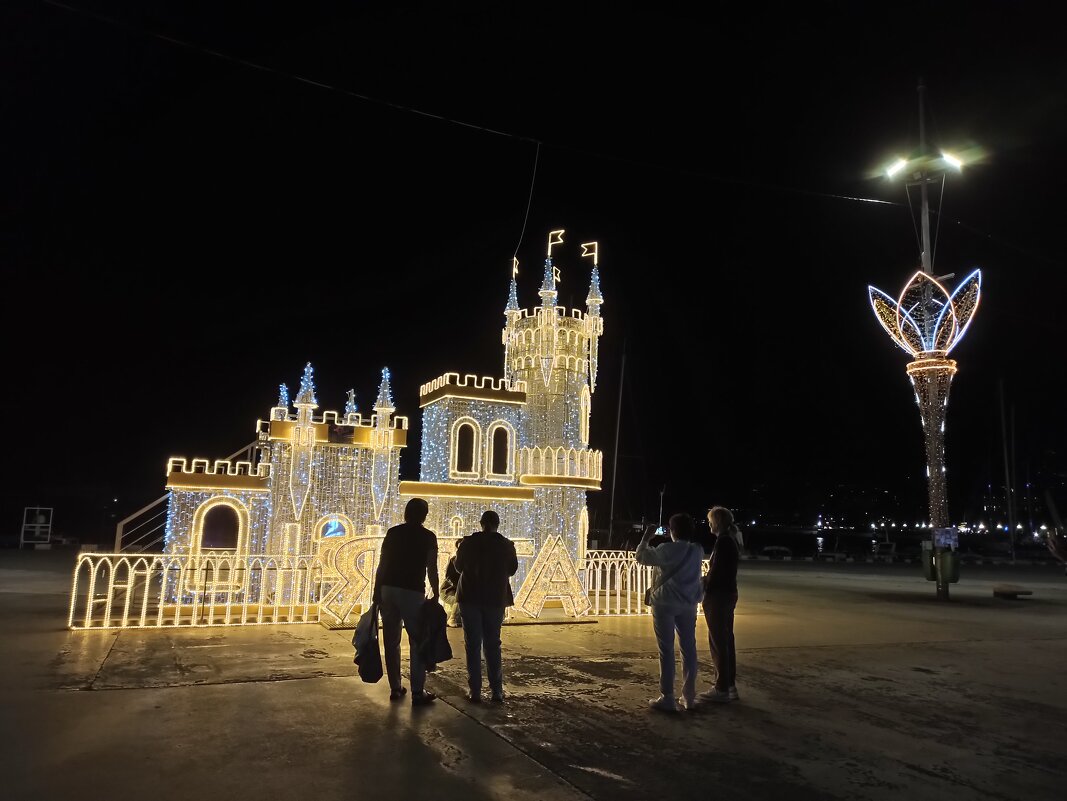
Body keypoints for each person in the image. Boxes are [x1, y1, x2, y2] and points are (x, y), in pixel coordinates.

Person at [372, 497, 440, 706]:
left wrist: (376, 590)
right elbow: (431, 567)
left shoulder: (393, 533)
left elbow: (383, 563)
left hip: (389, 588)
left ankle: (395, 687)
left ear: (406, 513)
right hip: (413, 591)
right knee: (417, 640)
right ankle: (417, 691)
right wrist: (436, 592)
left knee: (391, 641)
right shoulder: (428, 537)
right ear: (424, 515)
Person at [635, 512, 705, 712]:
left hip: (665, 603)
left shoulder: (666, 549)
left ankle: (667, 697)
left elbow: (642, 557)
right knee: (688, 648)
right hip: (688, 604)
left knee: (666, 649)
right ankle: (689, 697)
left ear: (672, 530)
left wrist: (646, 538)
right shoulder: (697, 550)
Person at [454, 510, 518, 703]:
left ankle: (475, 690)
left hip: (470, 596)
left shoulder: (468, 543)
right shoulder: (506, 545)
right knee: (493, 644)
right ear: (497, 524)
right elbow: (512, 569)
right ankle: (496, 690)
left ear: (481, 523)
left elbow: (458, 567)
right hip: (495, 598)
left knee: (473, 645)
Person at [700, 505, 743, 703]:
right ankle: (730, 686)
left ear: (717, 522)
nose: (709, 524)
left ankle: (721, 688)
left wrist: (704, 582)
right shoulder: (730, 540)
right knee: (726, 640)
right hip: (728, 593)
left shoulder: (724, 541)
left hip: (718, 596)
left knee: (718, 641)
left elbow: (717, 572)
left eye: (710, 520)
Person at [441, 539, 463, 627]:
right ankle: (452, 618)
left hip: (461, 591)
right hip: (448, 591)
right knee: (460, 597)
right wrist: (458, 585)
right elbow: (448, 576)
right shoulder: (454, 560)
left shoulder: (471, 562)